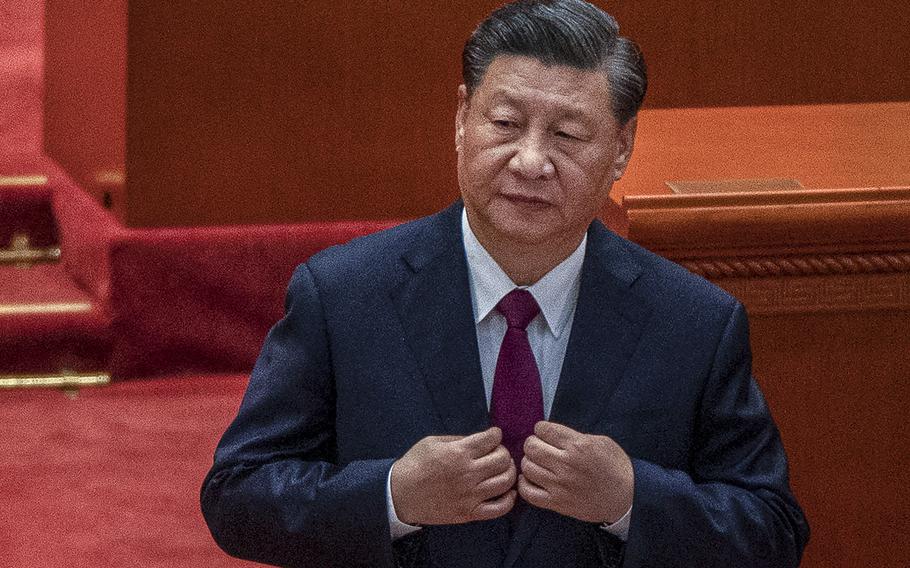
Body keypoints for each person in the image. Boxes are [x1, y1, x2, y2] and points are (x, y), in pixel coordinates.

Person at [200, 1, 810, 566]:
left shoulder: (695, 322)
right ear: (463, 118)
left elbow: (774, 528)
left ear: (621, 149)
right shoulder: (343, 294)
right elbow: (237, 495)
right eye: (505, 123)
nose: (530, 161)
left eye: (568, 136)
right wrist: (392, 496)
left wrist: (630, 498)